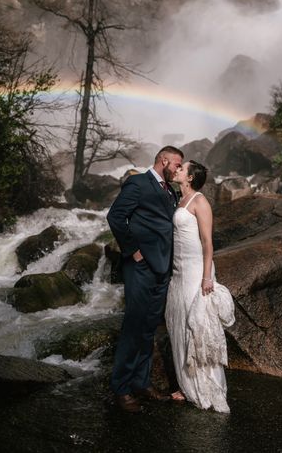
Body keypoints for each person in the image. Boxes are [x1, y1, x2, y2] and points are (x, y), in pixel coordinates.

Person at [107, 145, 184, 413]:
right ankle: (122, 388)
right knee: (134, 326)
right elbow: (116, 216)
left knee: (149, 327)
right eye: (176, 165)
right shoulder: (138, 182)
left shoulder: (171, 191)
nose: (178, 170)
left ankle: (141, 383)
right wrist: (132, 251)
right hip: (140, 267)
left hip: (162, 269)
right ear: (164, 160)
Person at [165, 160, 235, 413]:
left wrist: (207, 277)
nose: (177, 170)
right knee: (178, 323)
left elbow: (208, 242)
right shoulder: (179, 199)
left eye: (182, 168)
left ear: (191, 177)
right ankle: (186, 384)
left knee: (196, 328)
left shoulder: (200, 201)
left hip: (196, 272)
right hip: (179, 271)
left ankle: (204, 386)